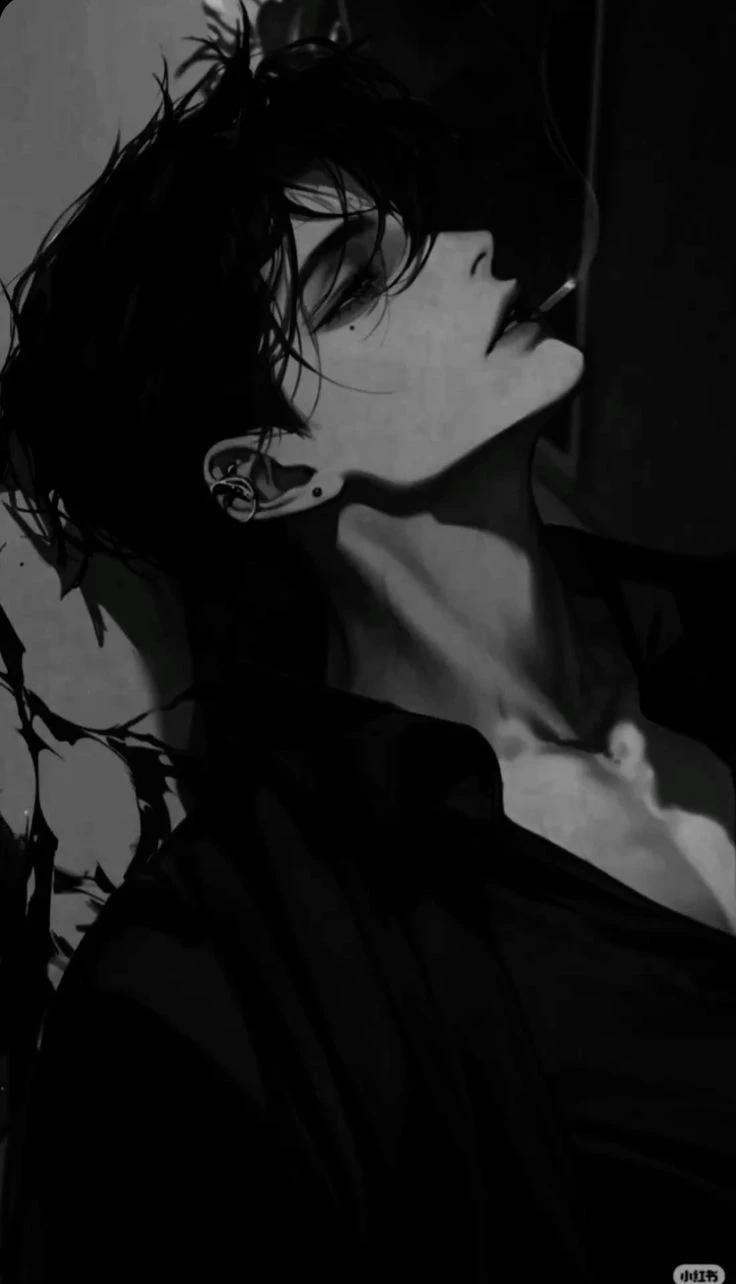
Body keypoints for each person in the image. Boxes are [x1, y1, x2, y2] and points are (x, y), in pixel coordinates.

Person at [1, 6, 735, 1281]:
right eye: (355, 282)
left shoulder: (710, 642)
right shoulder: (213, 999)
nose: (466, 251)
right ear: (268, 475)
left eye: (417, 229)